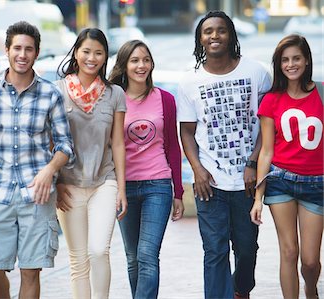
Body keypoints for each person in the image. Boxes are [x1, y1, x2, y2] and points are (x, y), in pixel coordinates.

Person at [0, 21, 75, 299]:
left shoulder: (51, 94)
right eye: (17, 48)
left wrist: (50, 169)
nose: (22, 55)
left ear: (36, 53)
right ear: (7, 50)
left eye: (29, 49)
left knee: (30, 270)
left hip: (36, 196)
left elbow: (65, 145)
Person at [176, 10, 272, 299]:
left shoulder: (256, 73)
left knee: (246, 250)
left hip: (247, 182)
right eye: (208, 31)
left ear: (231, 35)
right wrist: (197, 169)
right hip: (211, 184)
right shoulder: (189, 82)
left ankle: (241, 290)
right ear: (200, 39)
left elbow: (269, 126)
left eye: (221, 30)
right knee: (214, 251)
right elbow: (187, 132)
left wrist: (254, 163)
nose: (214, 36)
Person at [54, 28, 127, 299]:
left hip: (103, 181)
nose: (91, 58)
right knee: (78, 259)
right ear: (76, 53)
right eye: (86, 51)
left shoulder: (114, 93)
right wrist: (55, 183)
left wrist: (121, 188)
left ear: (105, 56)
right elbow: (51, 141)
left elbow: (118, 143)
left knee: (99, 250)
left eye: (98, 53)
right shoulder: (57, 91)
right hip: (68, 184)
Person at [108, 39, 184, 299]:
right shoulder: (113, 98)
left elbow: (173, 146)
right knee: (132, 258)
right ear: (124, 65)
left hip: (157, 185)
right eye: (135, 60)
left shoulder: (165, 99)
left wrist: (178, 192)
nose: (141, 66)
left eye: (146, 60)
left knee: (147, 255)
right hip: (123, 186)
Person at [250, 34, 323, 299]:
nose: (291, 64)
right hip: (281, 181)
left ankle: (311, 289)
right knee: (289, 251)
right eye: (285, 60)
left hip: (317, 183)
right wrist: (258, 197)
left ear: (306, 61)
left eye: (296, 59)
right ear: (279, 64)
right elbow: (266, 151)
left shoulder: (322, 93)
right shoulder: (272, 100)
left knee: (311, 261)